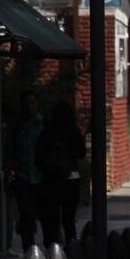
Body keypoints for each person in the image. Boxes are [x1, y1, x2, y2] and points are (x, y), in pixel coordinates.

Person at [4, 90, 58, 250]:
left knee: (47, 217)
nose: (29, 107)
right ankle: (29, 252)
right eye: (26, 103)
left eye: (32, 103)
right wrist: (8, 174)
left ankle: (50, 251)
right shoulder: (17, 127)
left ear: (37, 104)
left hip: (43, 178)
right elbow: (9, 153)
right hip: (24, 178)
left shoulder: (45, 125)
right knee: (26, 217)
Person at [38, 100, 86, 243]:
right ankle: (71, 246)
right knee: (69, 218)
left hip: (51, 179)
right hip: (71, 177)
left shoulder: (47, 132)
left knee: (52, 216)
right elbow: (81, 153)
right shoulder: (73, 131)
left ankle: (53, 246)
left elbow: (39, 156)